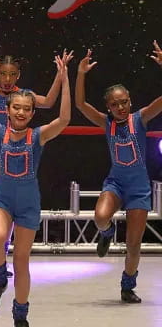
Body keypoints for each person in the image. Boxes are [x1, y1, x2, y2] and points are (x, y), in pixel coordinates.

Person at [0, 51, 71, 327]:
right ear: (7, 110)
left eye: (26, 109)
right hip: (3, 198)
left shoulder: (38, 136)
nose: (21, 112)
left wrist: (65, 77)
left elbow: (63, 118)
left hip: (28, 203)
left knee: (22, 260)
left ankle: (20, 312)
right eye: (16, 108)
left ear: (32, 112)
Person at [75, 43, 162, 303]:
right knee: (100, 217)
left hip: (139, 189)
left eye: (124, 102)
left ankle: (127, 285)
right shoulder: (106, 122)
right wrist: (80, 74)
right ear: (109, 107)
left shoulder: (141, 118)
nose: (120, 107)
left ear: (130, 101)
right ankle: (106, 232)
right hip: (115, 183)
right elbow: (79, 104)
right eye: (115, 104)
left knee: (133, 244)